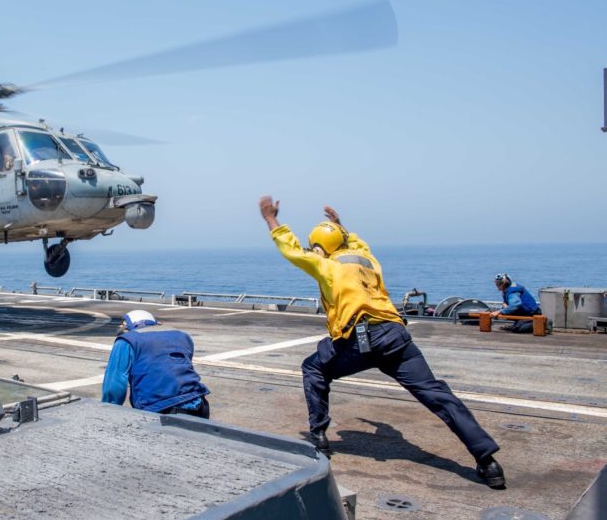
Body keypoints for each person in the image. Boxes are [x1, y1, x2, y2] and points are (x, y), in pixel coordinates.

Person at [258, 197, 506, 489]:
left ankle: (320, 436)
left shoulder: (325, 265)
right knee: (437, 394)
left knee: (314, 368)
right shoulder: (367, 260)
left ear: (320, 247)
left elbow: (291, 250)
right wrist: (340, 226)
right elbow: (358, 244)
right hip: (396, 335)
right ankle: (488, 461)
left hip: (360, 340)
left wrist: (271, 220)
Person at [102, 310, 211, 418]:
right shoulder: (183, 336)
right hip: (199, 403)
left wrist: (108, 413)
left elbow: (114, 385)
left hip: (159, 408)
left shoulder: (127, 341)